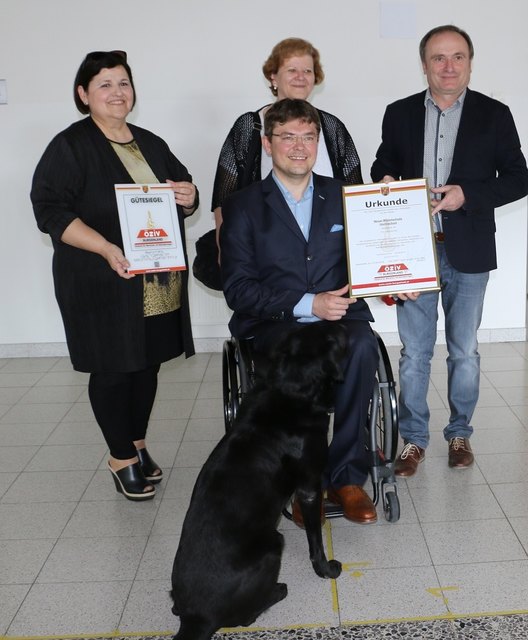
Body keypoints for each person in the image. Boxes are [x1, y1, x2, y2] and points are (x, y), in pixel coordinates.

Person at [31, 50, 199, 500]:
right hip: (100, 279)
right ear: (83, 94)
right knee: (113, 368)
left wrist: (189, 194)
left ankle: (137, 443)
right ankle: (119, 456)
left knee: (146, 364)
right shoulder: (70, 145)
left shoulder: (149, 141)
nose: (116, 92)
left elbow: (184, 190)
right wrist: (106, 248)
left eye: (123, 82)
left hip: (155, 278)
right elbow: (49, 210)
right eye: (104, 84)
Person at [371, 25, 528, 477]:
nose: (449, 66)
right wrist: (384, 180)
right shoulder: (398, 113)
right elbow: (385, 162)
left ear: (470, 62)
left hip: (470, 249)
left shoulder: (494, 114)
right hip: (412, 249)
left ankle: (459, 433)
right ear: (424, 64)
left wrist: (468, 195)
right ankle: (413, 441)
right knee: (414, 353)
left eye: (458, 57)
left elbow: (519, 178)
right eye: (439, 58)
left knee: (464, 351)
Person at [220, 98, 379, 524]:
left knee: (363, 346)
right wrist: (309, 304)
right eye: (287, 136)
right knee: (291, 363)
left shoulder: (345, 197)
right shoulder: (242, 207)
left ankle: (347, 478)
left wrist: (393, 284)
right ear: (268, 144)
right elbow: (238, 289)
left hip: (343, 319)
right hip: (274, 325)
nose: (299, 146)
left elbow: (369, 263)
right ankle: (293, 482)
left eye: (308, 137)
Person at [211, 36, 362, 251]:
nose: (301, 77)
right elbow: (223, 201)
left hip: (329, 259)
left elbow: (355, 195)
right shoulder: (249, 126)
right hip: (264, 258)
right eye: (292, 70)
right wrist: (225, 254)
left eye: (308, 71)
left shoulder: (332, 127)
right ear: (273, 77)